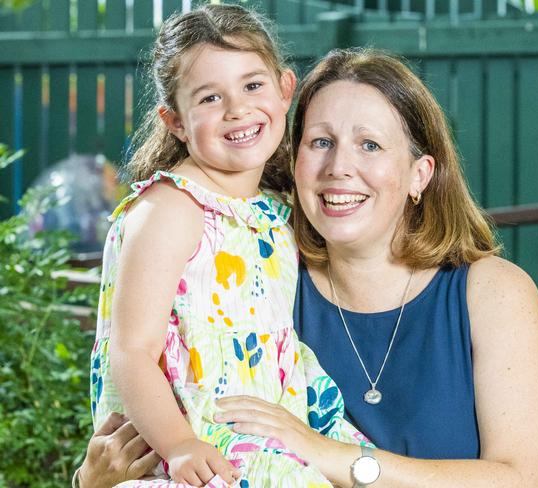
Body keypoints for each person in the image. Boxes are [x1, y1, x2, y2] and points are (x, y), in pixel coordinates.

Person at [79, 47, 538, 488]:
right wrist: (92, 485)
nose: (339, 167)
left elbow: (520, 480)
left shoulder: (491, 294)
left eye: (369, 145)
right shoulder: (256, 279)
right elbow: (156, 400)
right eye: (320, 142)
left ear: (420, 174)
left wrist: (327, 453)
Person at [89, 6, 369, 488]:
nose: (237, 109)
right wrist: (179, 445)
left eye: (252, 86)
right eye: (211, 97)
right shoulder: (172, 209)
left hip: (264, 421)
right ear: (175, 121)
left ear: (285, 90)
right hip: (187, 432)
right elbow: (131, 350)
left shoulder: (273, 208)